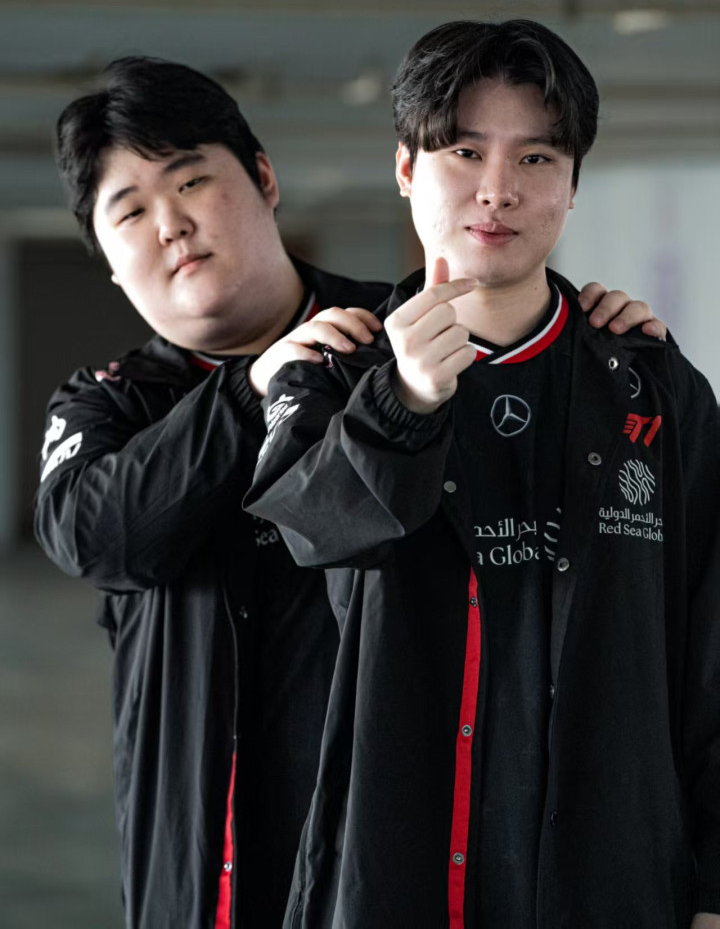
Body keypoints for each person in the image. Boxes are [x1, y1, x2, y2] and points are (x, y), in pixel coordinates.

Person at [35, 54, 662, 929]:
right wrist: (252, 389)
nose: (171, 224)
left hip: (396, 843)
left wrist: (600, 349)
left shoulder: (401, 343)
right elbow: (96, 537)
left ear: (264, 179)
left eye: (191, 181)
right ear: (107, 255)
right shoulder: (108, 402)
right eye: (131, 211)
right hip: (199, 857)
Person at [246, 20, 720, 929]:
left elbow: (711, 646)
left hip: (609, 876)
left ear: (573, 186)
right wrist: (402, 404)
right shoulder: (334, 374)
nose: (498, 189)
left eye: (537, 158)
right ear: (405, 169)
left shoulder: (652, 384)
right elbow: (305, 533)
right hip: (396, 862)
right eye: (465, 152)